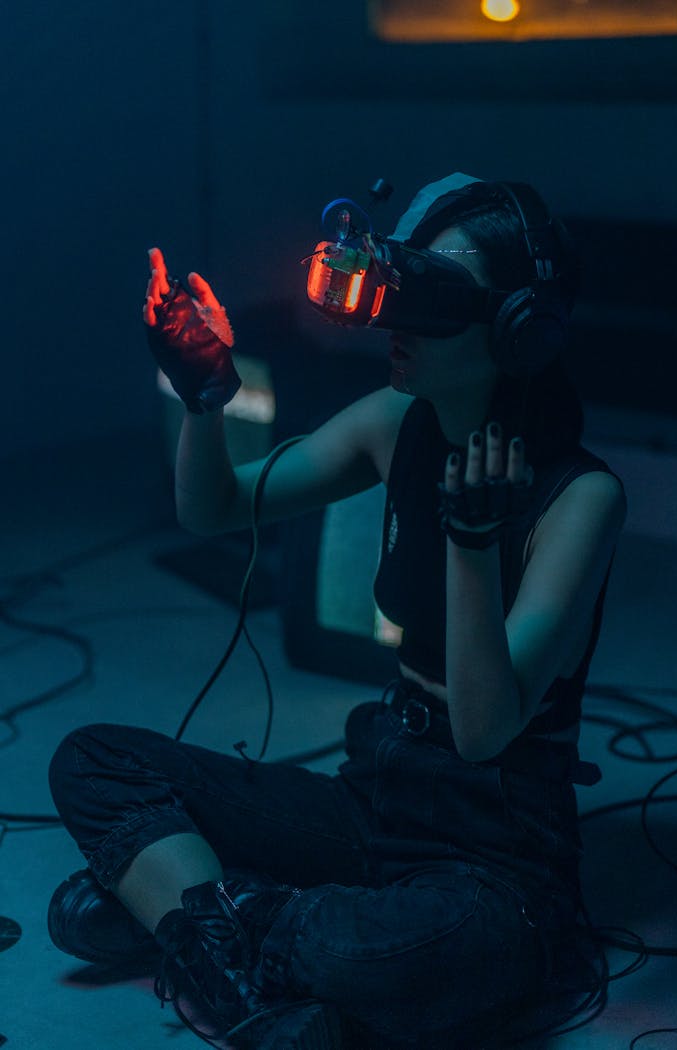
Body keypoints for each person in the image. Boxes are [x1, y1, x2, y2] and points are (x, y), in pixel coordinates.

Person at [47, 174, 626, 1049]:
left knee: (386, 958)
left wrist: (473, 543)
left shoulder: (581, 498)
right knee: (92, 762)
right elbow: (215, 508)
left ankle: (188, 918)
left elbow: (481, 732)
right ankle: (243, 947)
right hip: (374, 801)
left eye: (427, 302)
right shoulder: (396, 421)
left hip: (493, 859)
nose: (394, 325)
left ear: (517, 329)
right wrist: (205, 395)